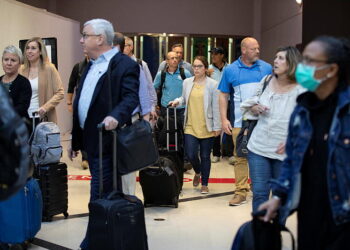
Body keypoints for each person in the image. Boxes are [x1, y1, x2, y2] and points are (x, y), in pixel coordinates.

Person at [259, 36, 350, 250]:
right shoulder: (303, 109)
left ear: (331, 70)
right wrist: (279, 196)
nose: (302, 67)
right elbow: (292, 160)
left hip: (343, 218)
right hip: (309, 214)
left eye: (309, 61)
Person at [68, 19, 139, 250]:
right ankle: (104, 240)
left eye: (85, 35)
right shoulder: (88, 65)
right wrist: (75, 139)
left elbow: (130, 98)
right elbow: (83, 101)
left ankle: (94, 243)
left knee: (99, 194)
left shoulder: (125, 65)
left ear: (100, 38)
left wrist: (115, 116)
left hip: (108, 142)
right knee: (101, 193)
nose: (81, 39)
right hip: (90, 140)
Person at [240, 46, 304, 212]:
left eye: (281, 58)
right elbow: (251, 102)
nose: (275, 61)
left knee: (280, 196)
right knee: (260, 194)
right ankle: (260, 233)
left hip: (284, 152)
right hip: (259, 148)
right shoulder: (267, 81)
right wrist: (254, 108)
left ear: (292, 63)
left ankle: (275, 232)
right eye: (275, 57)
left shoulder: (302, 89)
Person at [218, 37, 272, 206]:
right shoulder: (231, 70)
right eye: (253, 49)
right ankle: (240, 192)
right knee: (240, 157)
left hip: (263, 122)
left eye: (258, 48)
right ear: (243, 51)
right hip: (240, 122)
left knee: (262, 156)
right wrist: (224, 118)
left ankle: (260, 190)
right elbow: (223, 95)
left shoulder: (267, 68)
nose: (257, 51)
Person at [169, 56, 221, 194]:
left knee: (205, 156)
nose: (196, 69)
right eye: (194, 66)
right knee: (191, 154)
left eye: (199, 66)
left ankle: (205, 183)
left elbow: (216, 107)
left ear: (205, 68)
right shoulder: (187, 82)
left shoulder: (213, 84)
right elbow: (184, 98)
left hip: (206, 125)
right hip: (190, 125)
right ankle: (198, 171)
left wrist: (218, 126)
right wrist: (177, 102)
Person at [19, 37, 64, 131]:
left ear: (40, 52)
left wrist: (45, 107)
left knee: (42, 145)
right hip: (23, 118)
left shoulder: (49, 68)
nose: (29, 51)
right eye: (27, 48)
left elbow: (60, 93)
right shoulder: (21, 69)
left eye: (33, 48)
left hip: (42, 117)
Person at [208, 47, 233, 164]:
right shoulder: (208, 69)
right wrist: (206, 75)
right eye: (212, 54)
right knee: (216, 127)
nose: (213, 56)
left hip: (228, 101)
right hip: (214, 102)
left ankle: (229, 153)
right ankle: (216, 153)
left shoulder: (230, 68)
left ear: (222, 55)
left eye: (215, 54)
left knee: (229, 127)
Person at [154, 51, 192, 125]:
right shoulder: (161, 74)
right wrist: (154, 104)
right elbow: (153, 88)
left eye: (176, 58)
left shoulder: (185, 73)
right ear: (167, 61)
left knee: (182, 132)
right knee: (167, 133)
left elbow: (193, 87)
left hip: (182, 109)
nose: (175, 60)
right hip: (166, 108)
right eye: (172, 58)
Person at [124, 36, 157, 120]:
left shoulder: (141, 64)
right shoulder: (117, 64)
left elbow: (150, 87)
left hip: (138, 112)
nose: (121, 48)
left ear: (131, 47)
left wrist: (152, 107)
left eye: (124, 45)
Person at [67, 55, 89, 170]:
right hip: (80, 103)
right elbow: (71, 86)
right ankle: (85, 158)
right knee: (81, 130)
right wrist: (69, 103)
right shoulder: (78, 67)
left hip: (94, 103)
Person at [0, 45, 31, 120]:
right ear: (2, 61)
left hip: (17, 127)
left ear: (20, 64)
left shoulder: (24, 83)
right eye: (6, 59)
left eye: (13, 60)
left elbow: (22, 108)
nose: (9, 63)